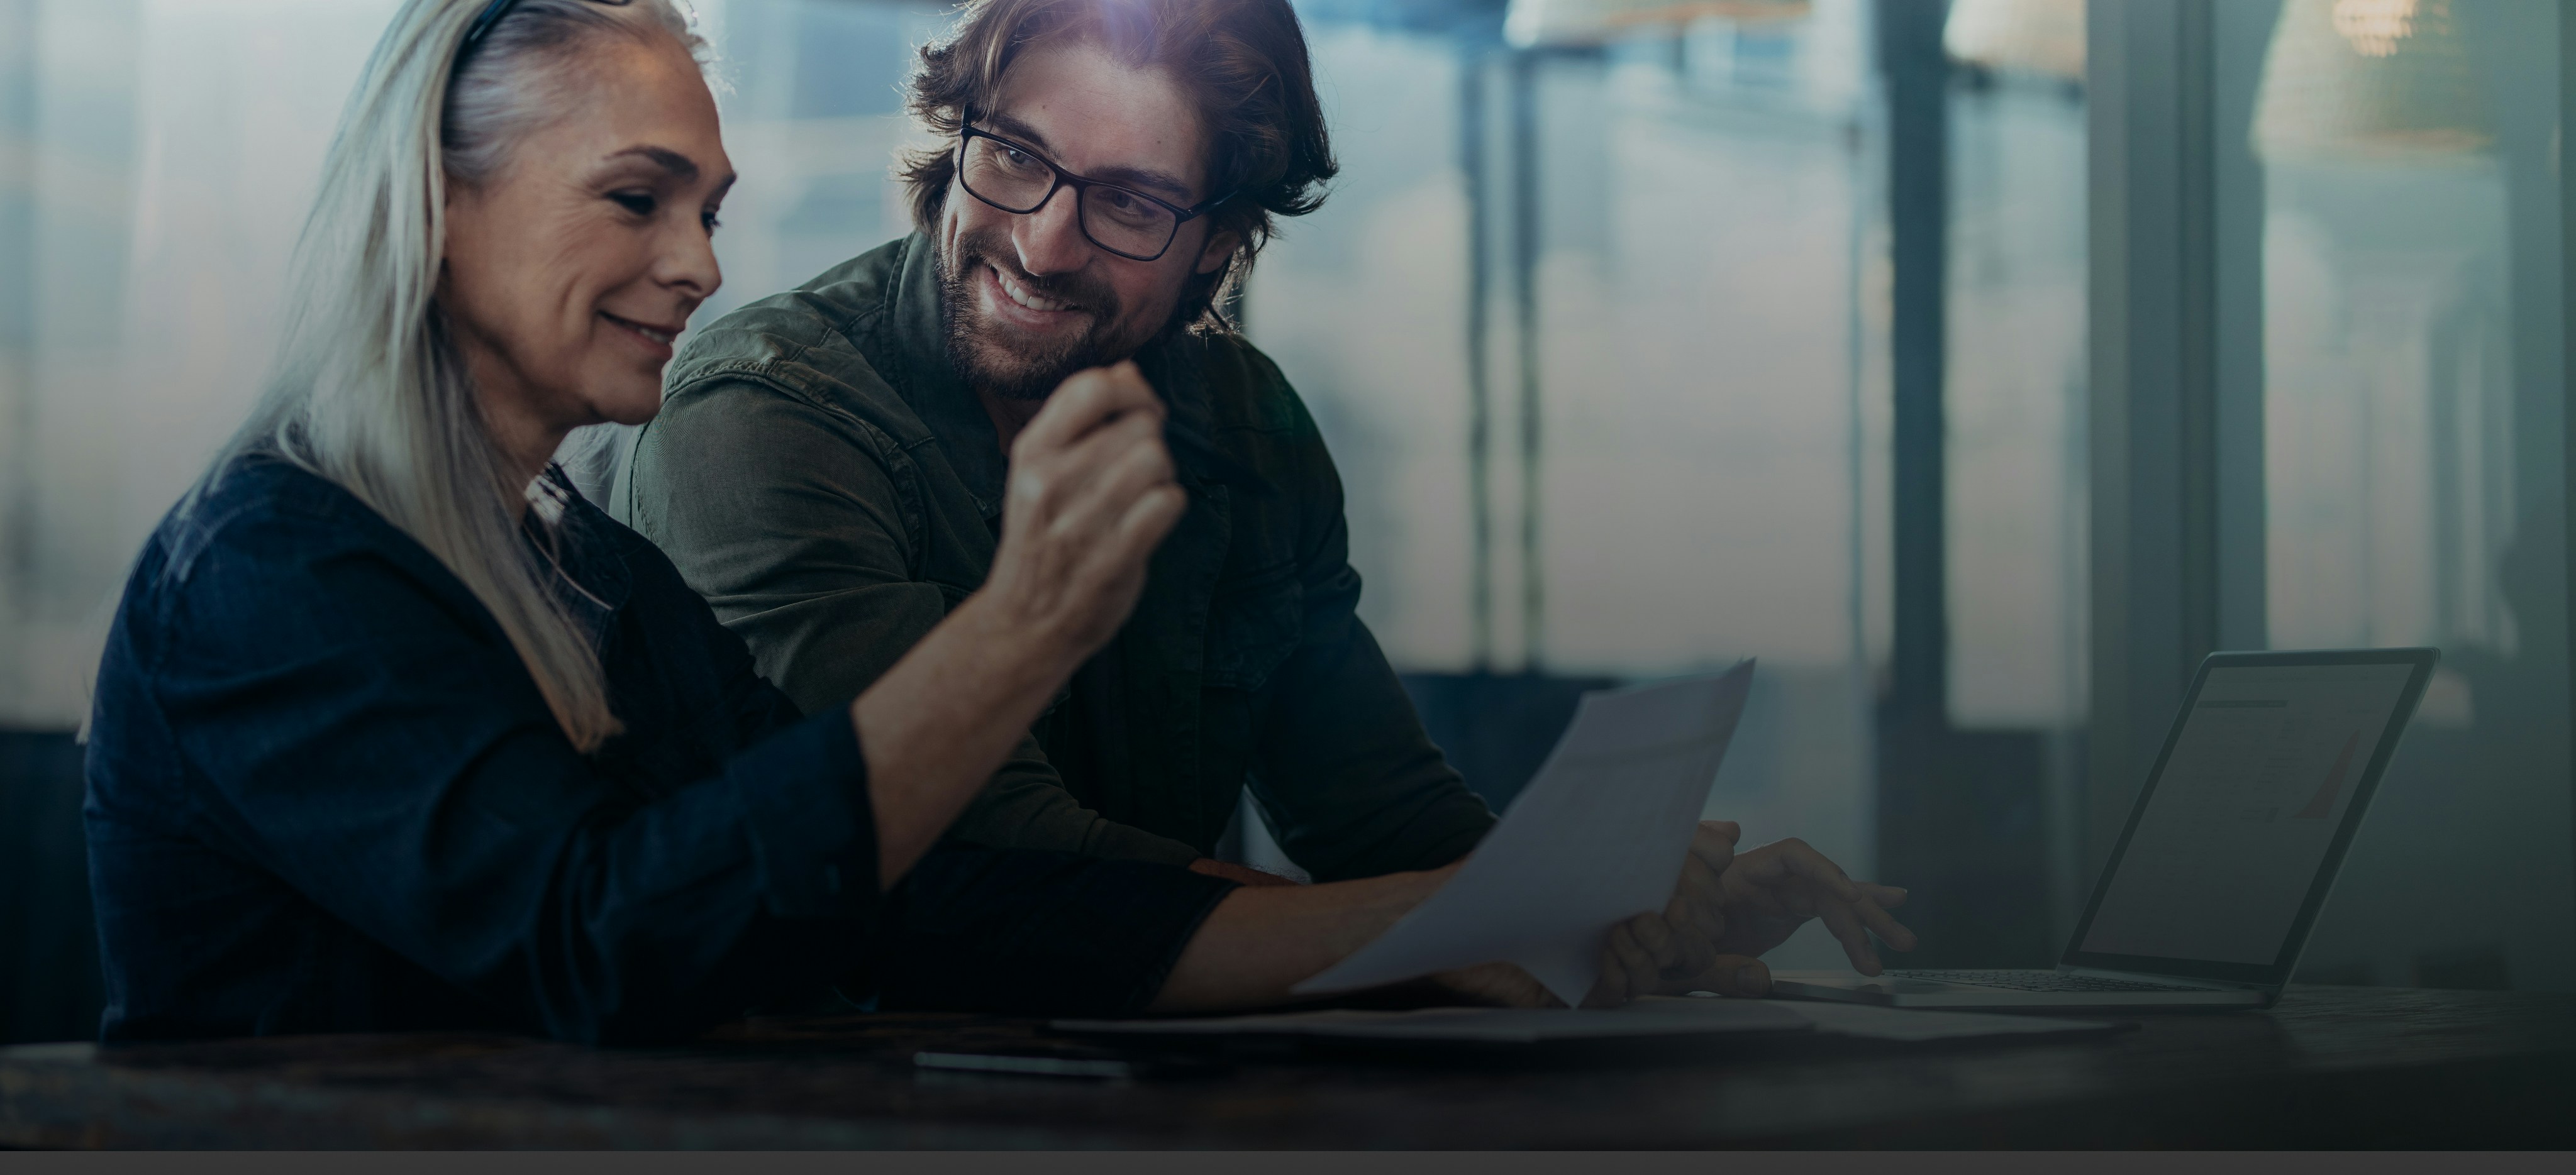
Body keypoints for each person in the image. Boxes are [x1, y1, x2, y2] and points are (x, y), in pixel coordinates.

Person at [81, 0, 1902, 1045]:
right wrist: (1030, 626)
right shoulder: (269, 570)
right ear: (434, 201)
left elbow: (913, 893)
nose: (701, 264)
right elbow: (610, 937)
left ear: (1218, 247)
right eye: (638, 199)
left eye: (709, 206)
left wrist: (1555, 911)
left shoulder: (586, 566)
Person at [613, 0, 1911, 979]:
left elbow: (1380, 813)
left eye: (1128, 203)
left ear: (1219, 246)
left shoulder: (1245, 422)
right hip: (811, 1085)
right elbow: (980, 845)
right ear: (956, 140)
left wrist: (1616, 914)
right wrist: (1465, 925)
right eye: (1013, 156)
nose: (1042, 241)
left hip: (1148, 1091)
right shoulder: (767, 414)